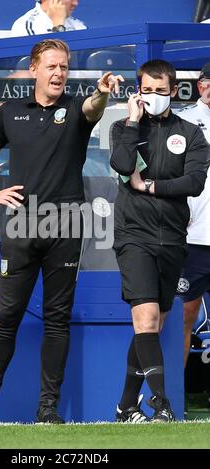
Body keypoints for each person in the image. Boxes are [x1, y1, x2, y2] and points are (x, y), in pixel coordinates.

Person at [0, 38, 123, 425]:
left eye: (64, 67)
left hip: (66, 223)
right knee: (6, 318)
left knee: (57, 318)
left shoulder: (76, 108)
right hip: (21, 224)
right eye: (51, 66)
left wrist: (101, 91)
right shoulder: (10, 112)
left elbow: (92, 107)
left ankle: (48, 409)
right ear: (33, 69)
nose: (58, 73)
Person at [110, 59, 209, 423]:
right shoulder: (124, 127)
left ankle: (124, 406)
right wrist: (133, 121)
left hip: (173, 238)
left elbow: (193, 183)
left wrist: (151, 185)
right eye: (147, 90)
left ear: (173, 92)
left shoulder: (192, 133)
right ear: (139, 90)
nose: (153, 96)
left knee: (154, 324)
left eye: (160, 91)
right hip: (134, 234)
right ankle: (162, 403)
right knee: (146, 318)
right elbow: (122, 166)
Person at [176, 63, 210, 365]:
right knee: (184, 316)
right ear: (201, 86)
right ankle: (173, 393)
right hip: (194, 237)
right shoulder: (183, 122)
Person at [11, 0, 86, 37]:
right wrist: (58, 25)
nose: (75, 3)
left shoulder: (78, 25)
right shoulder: (25, 26)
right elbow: (53, 60)